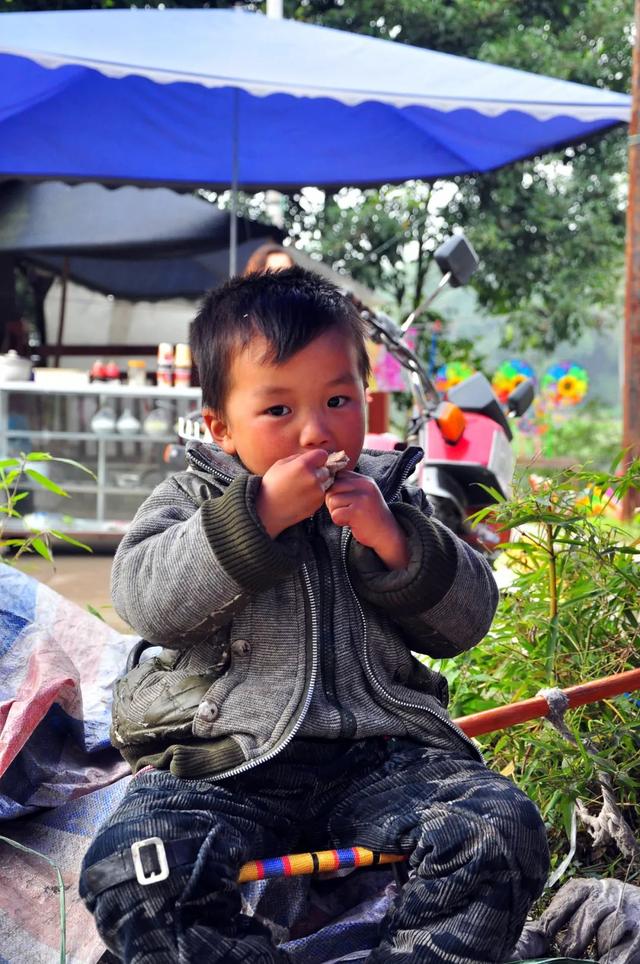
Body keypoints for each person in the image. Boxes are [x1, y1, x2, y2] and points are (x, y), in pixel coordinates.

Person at [80, 267, 549, 963]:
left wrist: (394, 541)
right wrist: (255, 520)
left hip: (382, 759)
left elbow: (469, 620)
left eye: (337, 399)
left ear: (368, 400)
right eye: (277, 411)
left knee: (501, 828)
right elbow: (148, 601)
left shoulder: (391, 499)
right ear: (221, 426)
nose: (315, 431)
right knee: (133, 871)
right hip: (223, 765)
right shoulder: (191, 499)